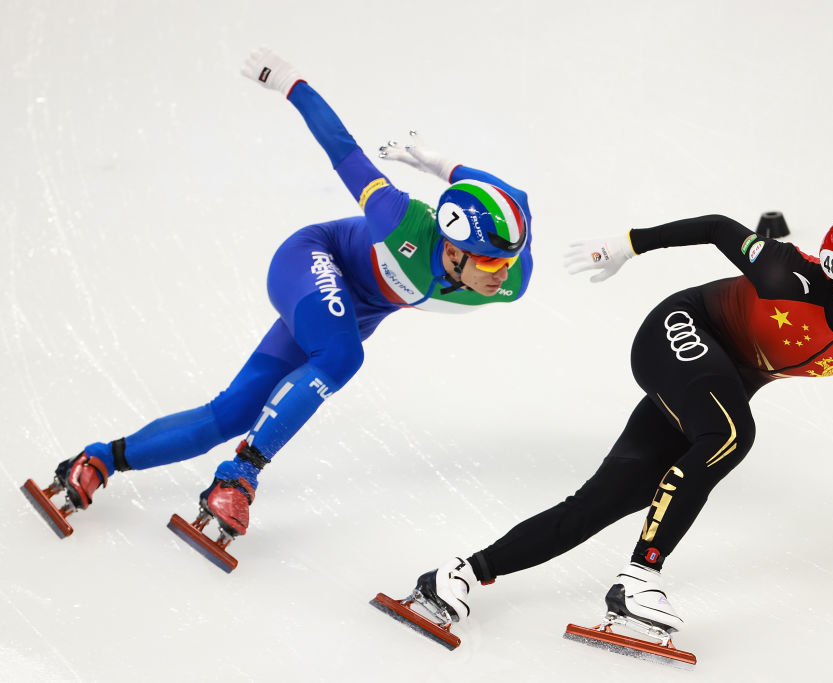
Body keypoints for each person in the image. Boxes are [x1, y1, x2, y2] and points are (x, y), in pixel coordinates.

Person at [24, 48, 532, 553]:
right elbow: (342, 149)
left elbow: (519, 200)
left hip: (342, 311)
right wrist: (290, 82)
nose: (500, 276)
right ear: (451, 245)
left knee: (230, 415)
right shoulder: (398, 217)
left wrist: (445, 165)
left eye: (505, 264)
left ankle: (96, 461)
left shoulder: (511, 277)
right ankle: (239, 477)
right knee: (342, 356)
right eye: (488, 264)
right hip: (311, 260)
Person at [404, 211, 833, 639]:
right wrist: (626, 245)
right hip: (681, 332)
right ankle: (640, 577)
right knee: (732, 437)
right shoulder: (787, 275)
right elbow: (718, 227)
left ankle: (458, 575)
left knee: (599, 503)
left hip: (713, 384)